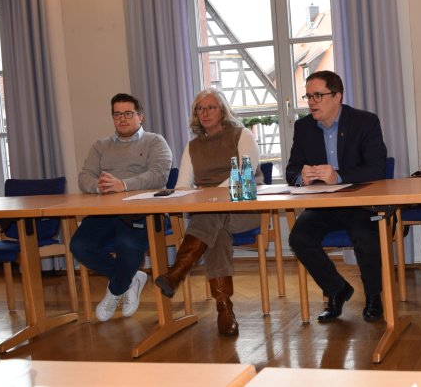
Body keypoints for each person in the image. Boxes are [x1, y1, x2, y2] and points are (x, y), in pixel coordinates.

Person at [153, 88, 264, 336]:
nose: (205, 113)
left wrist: (210, 193)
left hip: (244, 208)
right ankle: (225, 309)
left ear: (222, 110)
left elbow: (244, 174)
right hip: (212, 216)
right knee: (217, 232)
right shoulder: (193, 146)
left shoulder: (241, 135)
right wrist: (205, 196)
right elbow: (182, 186)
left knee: (211, 216)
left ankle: (176, 273)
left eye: (210, 107)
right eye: (200, 109)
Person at [286, 70, 388, 323]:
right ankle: (337, 290)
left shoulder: (365, 122)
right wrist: (302, 175)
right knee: (299, 238)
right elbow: (290, 170)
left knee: (366, 237)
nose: (311, 102)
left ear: (337, 96)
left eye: (317, 96)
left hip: (358, 204)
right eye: (308, 96)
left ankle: (374, 296)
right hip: (323, 205)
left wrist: (339, 176)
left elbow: (377, 168)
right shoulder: (304, 127)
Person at [70, 93, 172, 322]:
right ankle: (130, 278)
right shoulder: (100, 145)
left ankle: (116, 289)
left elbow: (159, 175)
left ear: (140, 117)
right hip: (105, 212)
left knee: (127, 244)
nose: (122, 119)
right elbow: (84, 176)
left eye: (128, 114)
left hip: (143, 212)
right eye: (117, 114)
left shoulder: (155, 141)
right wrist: (99, 186)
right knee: (79, 245)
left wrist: (123, 185)